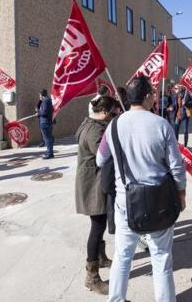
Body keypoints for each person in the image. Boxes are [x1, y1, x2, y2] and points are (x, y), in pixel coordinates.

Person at [96, 75, 186, 302]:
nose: (155, 97)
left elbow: (100, 159)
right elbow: (176, 167)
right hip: (160, 200)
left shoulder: (114, 125)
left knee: (123, 256)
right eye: (153, 94)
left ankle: (116, 299)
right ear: (147, 97)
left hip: (126, 201)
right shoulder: (161, 124)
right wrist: (181, 193)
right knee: (161, 257)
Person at [75, 96, 119, 295]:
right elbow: (105, 156)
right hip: (93, 185)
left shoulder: (90, 124)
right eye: (113, 113)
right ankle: (91, 277)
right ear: (106, 112)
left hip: (92, 182)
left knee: (98, 224)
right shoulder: (96, 130)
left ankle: (100, 258)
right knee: (98, 225)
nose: (114, 116)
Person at [37, 89, 54, 159]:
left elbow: (44, 112)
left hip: (45, 122)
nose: (39, 97)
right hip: (47, 122)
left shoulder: (46, 101)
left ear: (41, 95)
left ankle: (50, 153)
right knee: (48, 138)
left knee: (47, 138)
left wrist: (38, 113)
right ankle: (49, 152)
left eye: (39, 95)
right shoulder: (46, 101)